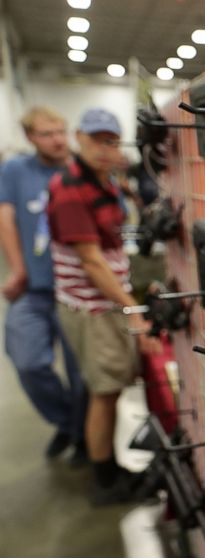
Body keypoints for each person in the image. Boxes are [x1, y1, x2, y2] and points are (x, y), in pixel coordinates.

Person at [47, 108, 160, 505]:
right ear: (79, 137)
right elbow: (92, 263)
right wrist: (134, 311)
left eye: (111, 140)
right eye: (96, 139)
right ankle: (106, 481)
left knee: (108, 389)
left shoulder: (107, 183)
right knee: (106, 393)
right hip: (93, 307)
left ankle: (108, 471)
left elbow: (114, 243)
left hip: (105, 301)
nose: (104, 148)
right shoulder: (70, 190)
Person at [0, 106, 87, 464]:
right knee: (28, 361)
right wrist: (18, 269)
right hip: (34, 288)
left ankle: (84, 438)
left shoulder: (80, 170)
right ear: (30, 137)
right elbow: (6, 218)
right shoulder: (16, 170)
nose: (57, 140)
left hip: (76, 291)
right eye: (47, 133)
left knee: (82, 372)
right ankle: (67, 422)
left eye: (61, 131)